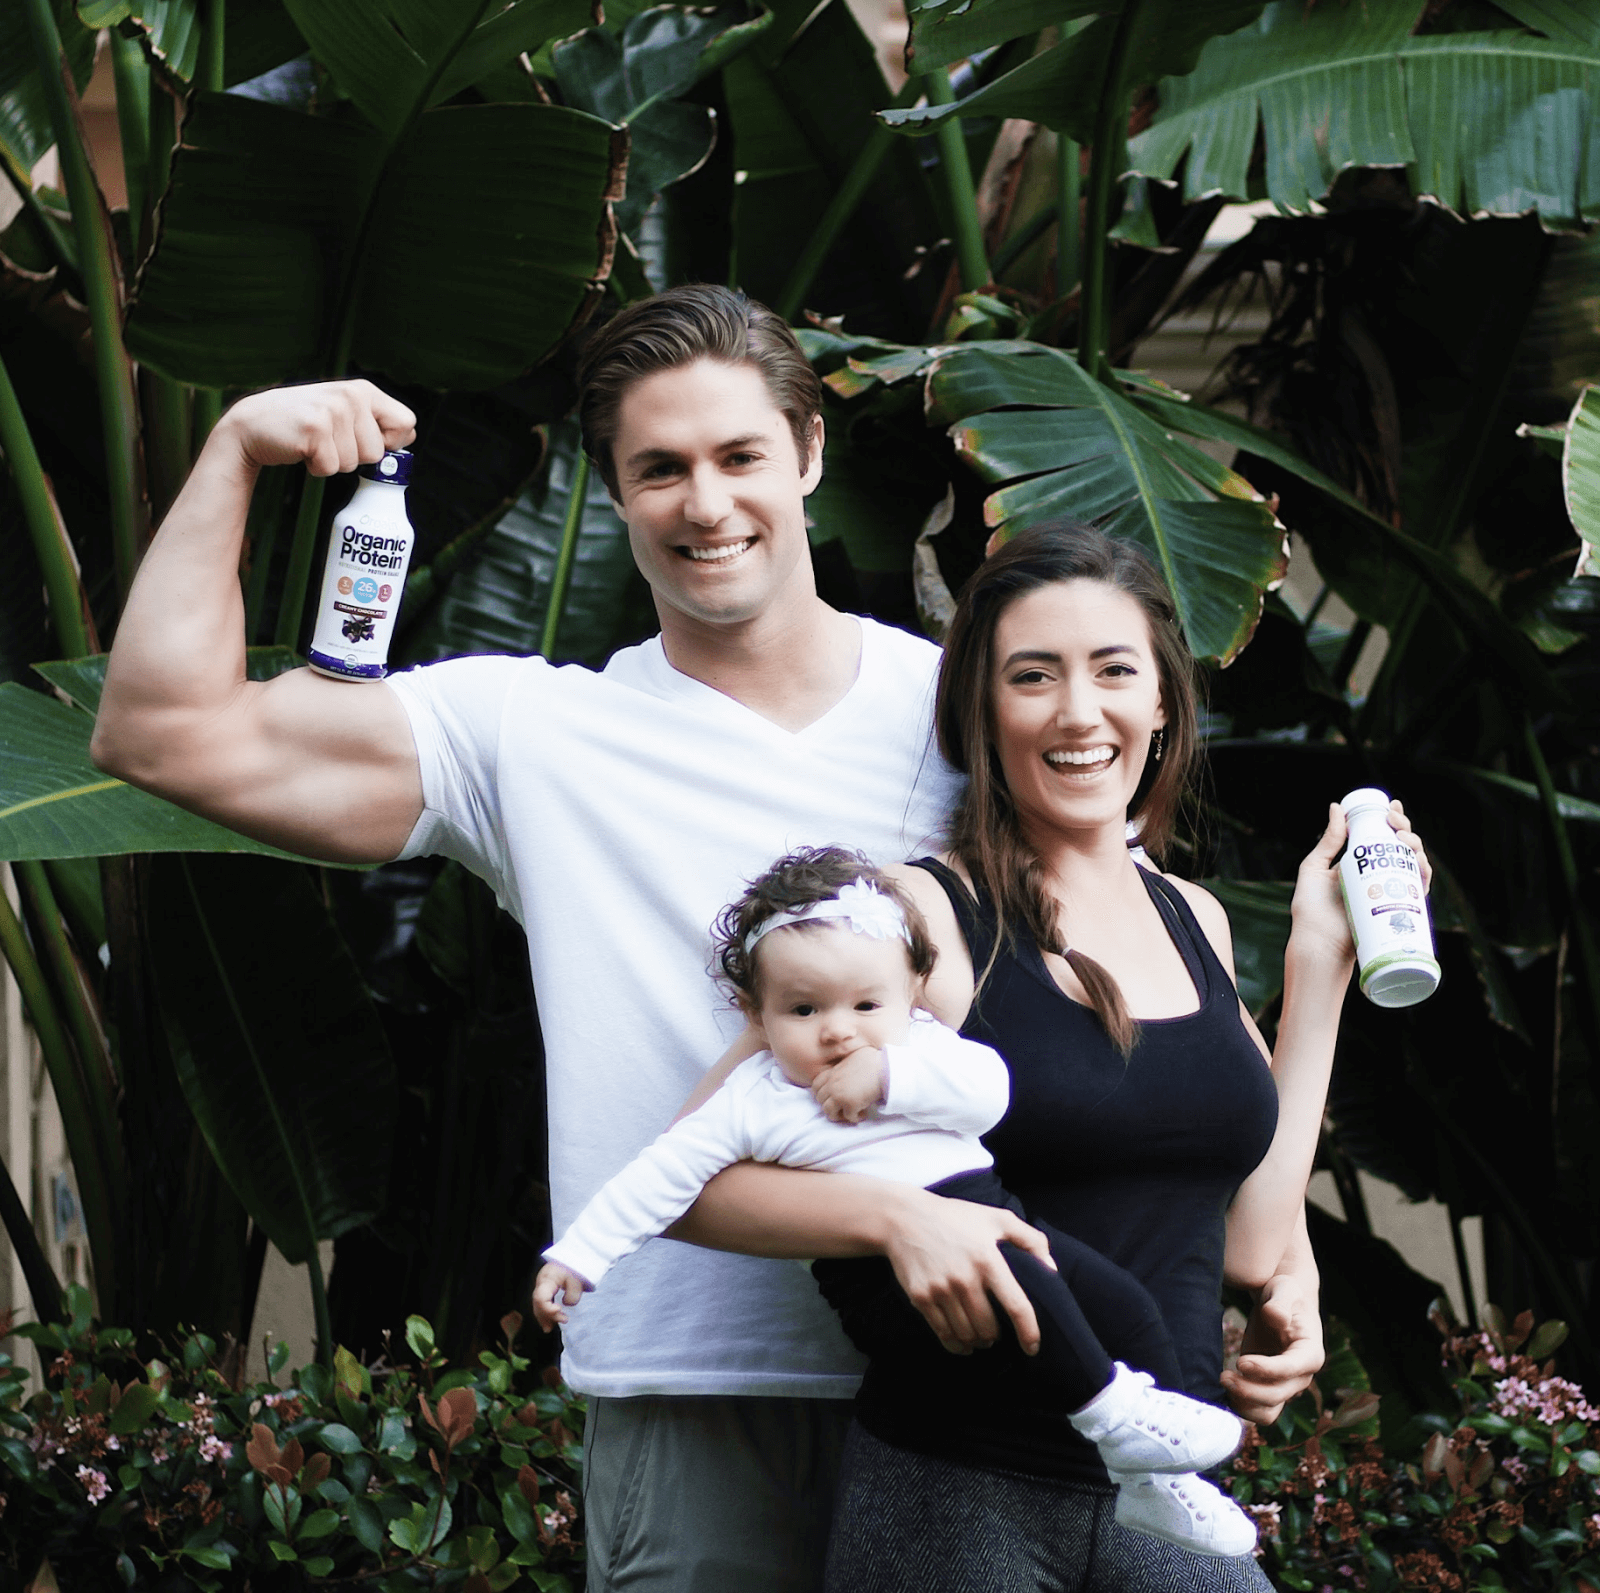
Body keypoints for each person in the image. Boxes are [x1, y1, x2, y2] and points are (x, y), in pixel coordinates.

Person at [90, 284, 1325, 1590]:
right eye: (659, 468)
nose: (706, 500)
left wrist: (1271, 1240)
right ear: (614, 491)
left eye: (740, 455)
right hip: (696, 1398)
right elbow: (159, 736)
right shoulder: (531, 736)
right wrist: (235, 452)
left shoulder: (971, 710)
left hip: (994, 1391)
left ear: (808, 453)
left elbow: (1140, 1014)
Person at [795, 521, 1427, 1591]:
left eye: (1113, 671)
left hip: (1165, 1495)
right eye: (1033, 676)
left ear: (1163, 703)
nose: (1079, 713)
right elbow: (738, 1157)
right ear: (980, 714)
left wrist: (1319, 963)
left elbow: (1243, 1244)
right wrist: (902, 1222)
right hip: (961, 1489)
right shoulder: (915, 916)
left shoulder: (1197, 920)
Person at [534, 848, 1257, 1556]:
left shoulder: (920, 1048)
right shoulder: (753, 1099)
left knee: (1125, 1306)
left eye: (865, 1004)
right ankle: (1115, 1417)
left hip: (985, 1209)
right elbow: (663, 1174)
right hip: (878, 1269)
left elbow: (990, 1092)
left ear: (914, 988)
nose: (838, 1028)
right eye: (803, 1008)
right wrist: (578, 1256)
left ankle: (1159, 1478)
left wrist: (888, 1080)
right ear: (754, 1009)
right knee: (1031, 1300)